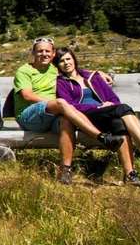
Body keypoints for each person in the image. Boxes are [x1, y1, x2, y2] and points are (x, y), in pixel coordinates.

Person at [53, 48, 140, 186]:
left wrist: (109, 104)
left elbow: (114, 99)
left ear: (74, 59)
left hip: (105, 114)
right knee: (123, 109)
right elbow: (69, 106)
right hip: (84, 118)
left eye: (68, 59)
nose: (66, 63)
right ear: (58, 65)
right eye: (61, 61)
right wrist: (97, 107)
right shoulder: (61, 82)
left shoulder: (92, 77)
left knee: (119, 123)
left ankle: (130, 175)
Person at [12, 36, 125, 185]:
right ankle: (102, 137)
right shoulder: (25, 70)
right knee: (62, 104)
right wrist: (55, 104)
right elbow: (27, 95)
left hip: (54, 114)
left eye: (47, 51)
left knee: (67, 119)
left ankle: (65, 170)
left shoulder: (55, 69)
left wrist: (97, 73)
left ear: (53, 55)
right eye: (39, 51)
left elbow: (75, 70)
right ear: (33, 53)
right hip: (29, 116)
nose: (43, 54)